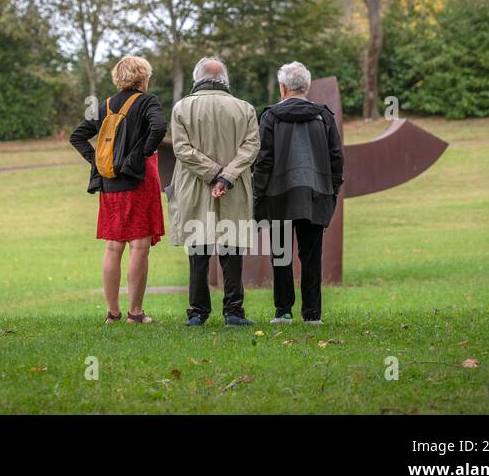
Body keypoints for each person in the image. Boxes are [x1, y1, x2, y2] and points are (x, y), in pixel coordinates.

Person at [70, 56, 167, 325]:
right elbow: (159, 127)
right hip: (138, 181)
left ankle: (112, 313)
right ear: (142, 78)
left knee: (114, 247)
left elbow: (76, 135)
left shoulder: (105, 105)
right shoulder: (147, 101)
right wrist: (141, 154)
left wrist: (98, 161)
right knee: (139, 245)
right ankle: (135, 313)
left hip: (110, 182)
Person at [168, 57, 260, 327]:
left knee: (198, 251)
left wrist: (211, 174)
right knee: (232, 251)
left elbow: (182, 149)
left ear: (197, 78)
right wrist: (226, 176)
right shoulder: (244, 109)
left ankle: (197, 312)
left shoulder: (182, 108)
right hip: (233, 187)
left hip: (195, 186)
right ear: (225, 79)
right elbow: (251, 147)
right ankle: (233, 312)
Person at [252, 61, 344, 325]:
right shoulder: (324, 116)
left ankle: (283, 312)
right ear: (307, 86)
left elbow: (264, 160)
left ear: (282, 88)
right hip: (315, 194)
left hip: (278, 196)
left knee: (281, 254)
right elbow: (336, 157)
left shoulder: (269, 116)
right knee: (312, 257)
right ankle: (312, 315)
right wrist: (332, 189)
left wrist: (258, 194)